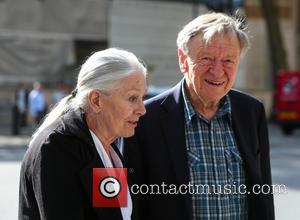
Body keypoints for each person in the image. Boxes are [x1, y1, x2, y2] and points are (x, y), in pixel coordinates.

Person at [124, 12, 274, 220]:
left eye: (228, 60)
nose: (218, 71)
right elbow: (130, 203)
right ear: (183, 60)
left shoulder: (251, 111)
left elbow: (263, 195)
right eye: (206, 59)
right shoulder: (145, 118)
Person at [19, 48, 147, 220]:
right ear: (96, 100)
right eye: (132, 98)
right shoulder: (57, 149)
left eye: (142, 98)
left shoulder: (106, 144)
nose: (142, 110)